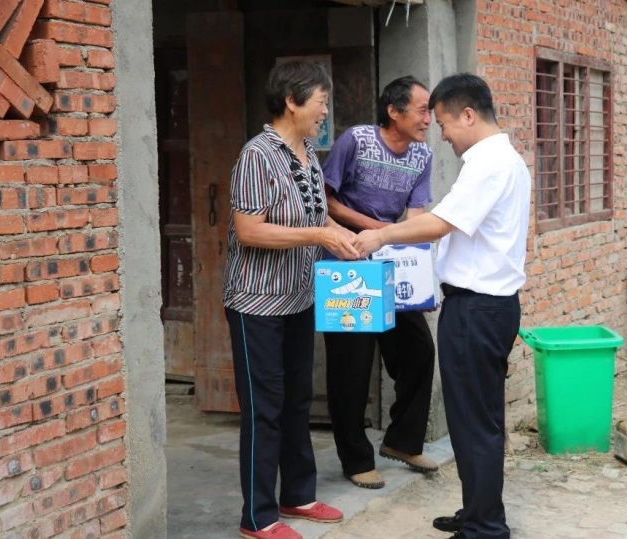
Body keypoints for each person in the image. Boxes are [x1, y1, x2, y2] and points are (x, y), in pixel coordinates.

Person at [353, 73, 531, 539]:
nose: (442, 134)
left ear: (468, 115)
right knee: (477, 419)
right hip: (485, 308)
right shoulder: (500, 161)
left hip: (477, 310)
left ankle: (485, 528)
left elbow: (440, 223)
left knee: (474, 423)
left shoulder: (489, 164)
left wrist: (381, 234)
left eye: (445, 124)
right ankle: (478, 514)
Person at [223, 61, 359, 539]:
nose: (325, 111)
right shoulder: (257, 155)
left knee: (297, 401)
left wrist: (347, 240)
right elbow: (250, 229)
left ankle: (298, 494)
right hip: (256, 304)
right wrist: (320, 234)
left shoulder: (308, 153)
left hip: (299, 297)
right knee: (265, 407)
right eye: (320, 102)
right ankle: (257, 518)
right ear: (291, 100)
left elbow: (315, 221)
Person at [322, 75, 439, 490]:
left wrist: (417, 270)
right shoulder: (356, 140)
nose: (429, 118)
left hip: (392, 267)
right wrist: (373, 226)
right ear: (394, 110)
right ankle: (355, 459)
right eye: (423, 109)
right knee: (351, 367)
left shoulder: (422, 155)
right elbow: (326, 199)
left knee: (419, 352)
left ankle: (402, 442)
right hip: (347, 265)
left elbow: (416, 213)